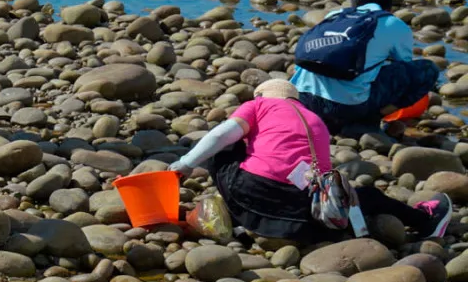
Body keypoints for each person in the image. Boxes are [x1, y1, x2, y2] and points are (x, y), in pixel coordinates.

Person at [147, 78, 449, 241]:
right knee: (365, 195)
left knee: (225, 150)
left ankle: (240, 218)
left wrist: (183, 167)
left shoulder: (259, 106)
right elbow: (325, 180)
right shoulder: (315, 120)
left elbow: (217, 137)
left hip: (252, 192)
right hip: (304, 216)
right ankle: (424, 221)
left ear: (263, 96)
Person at [289, 0, 442, 134]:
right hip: (346, 107)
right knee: (427, 70)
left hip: (303, 100)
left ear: (354, 3)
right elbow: (404, 65)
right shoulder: (391, 22)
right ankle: (374, 118)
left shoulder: (334, 16)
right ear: (388, 8)